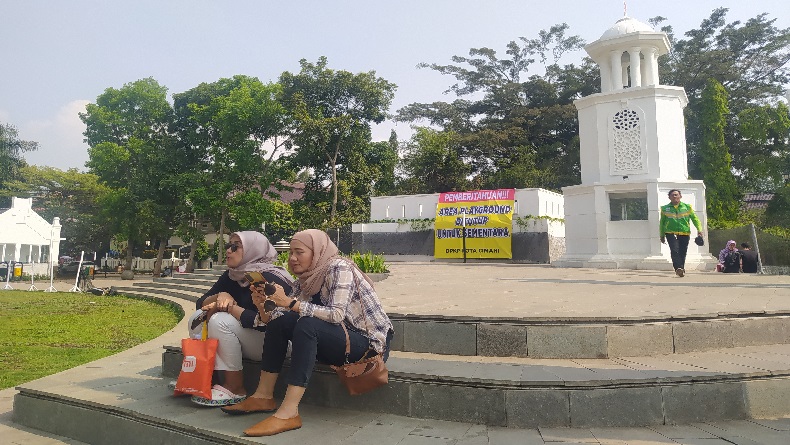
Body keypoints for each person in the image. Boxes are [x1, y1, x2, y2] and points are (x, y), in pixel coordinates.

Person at [224, 229, 394, 437]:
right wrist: (262, 306)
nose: (293, 259)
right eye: (291, 253)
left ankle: (288, 413)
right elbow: (275, 319)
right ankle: (263, 396)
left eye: (299, 252)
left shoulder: (339, 267)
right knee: (281, 322)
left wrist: (289, 302)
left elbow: (336, 315)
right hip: (337, 340)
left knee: (307, 325)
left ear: (317, 252)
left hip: (367, 346)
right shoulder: (305, 280)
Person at [188, 231, 294, 406]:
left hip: (277, 344)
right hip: (250, 337)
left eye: (236, 246)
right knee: (197, 320)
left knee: (219, 320)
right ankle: (203, 380)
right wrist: (220, 295)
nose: (229, 251)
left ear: (254, 250)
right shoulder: (233, 275)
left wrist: (230, 307)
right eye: (229, 245)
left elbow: (268, 322)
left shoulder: (270, 278)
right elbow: (201, 303)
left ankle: (235, 388)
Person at [659, 189, 704, 277]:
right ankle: (678, 268)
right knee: (674, 250)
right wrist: (662, 235)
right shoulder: (664, 209)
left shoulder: (687, 207)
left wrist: (699, 229)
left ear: (680, 196)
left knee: (682, 251)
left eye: (676, 195)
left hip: (684, 232)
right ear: (669, 197)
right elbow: (662, 223)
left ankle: (681, 269)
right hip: (670, 232)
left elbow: (695, 219)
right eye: (672, 195)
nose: (674, 196)